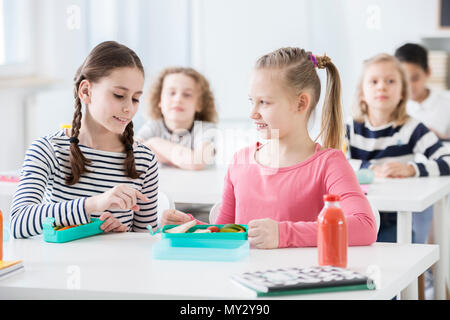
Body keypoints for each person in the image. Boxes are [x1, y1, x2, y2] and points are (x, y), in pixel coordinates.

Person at [161, 47, 377, 249]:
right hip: (242, 282)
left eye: (264, 102)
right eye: (251, 101)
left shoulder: (329, 164)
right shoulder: (240, 161)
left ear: (301, 104)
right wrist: (190, 226)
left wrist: (283, 234)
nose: (253, 113)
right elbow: (228, 233)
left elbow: (365, 227)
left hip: (299, 284)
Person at [10, 41, 159, 239]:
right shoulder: (48, 150)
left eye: (135, 98)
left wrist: (121, 235)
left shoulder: (144, 160)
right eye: (119, 95)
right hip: (59, 268)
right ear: (86, 91)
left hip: (117, 269)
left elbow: (145, 241)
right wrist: (94, 204)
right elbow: (18, 222)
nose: (129, 108)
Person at [346, 53, 450, 243]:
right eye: (374, 81)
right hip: (355, 215)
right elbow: (333, 161)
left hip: (396, 219)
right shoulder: (350, 128)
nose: (382, 86)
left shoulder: (412, 128)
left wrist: (412, 169)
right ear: (362, 92)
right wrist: (369, 168)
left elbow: (447, 159)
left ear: (403, 92)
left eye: (390, 81)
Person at [135, 67, 218, 170]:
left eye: (187, 95)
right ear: (159, 100)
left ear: (199, 104)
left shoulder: (205, 129)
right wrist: (183, 159)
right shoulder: (152, 127)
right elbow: (132, 154)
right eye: (172, 93)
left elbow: (197, 161)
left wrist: (154, 143)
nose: (178, 99)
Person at [395, 43, 450, 140]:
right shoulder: (392, 106)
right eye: (404, 79)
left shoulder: (447, 101)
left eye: (415, 78)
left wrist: (442, 137)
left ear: (428, 72)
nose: (409, 86)